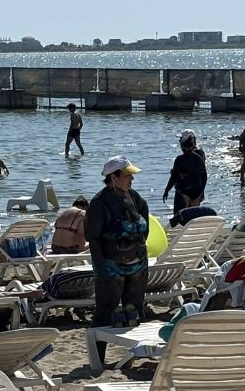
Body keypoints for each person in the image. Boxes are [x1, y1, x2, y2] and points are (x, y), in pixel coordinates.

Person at [85, 156, 149, 356]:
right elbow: (93, 238)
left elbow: (144, 219)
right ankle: (98, 358)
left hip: (138, 266)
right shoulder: (99, 203)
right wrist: (102, 269)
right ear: (113, 177)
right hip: (112, 268)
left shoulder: (134, 196)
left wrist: (138, 247)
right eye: (128, 175)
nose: (132, 179)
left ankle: (139, 353)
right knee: (105, 311)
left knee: (135, 309)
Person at [162, 130, 207, 213]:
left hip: (184, 191)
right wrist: (202, 191)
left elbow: (174, 177)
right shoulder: (199, 157)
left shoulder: (180, 159)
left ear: (182, 145)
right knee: (194, 216)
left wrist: (166, 190)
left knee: (179, 215)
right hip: (197, 191)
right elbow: (204, 175)